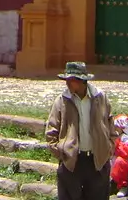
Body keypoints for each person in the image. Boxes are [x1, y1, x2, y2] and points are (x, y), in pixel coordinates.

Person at [45, 61, 117, 200]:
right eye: (66, 80)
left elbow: (110, 123)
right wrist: (60, 151)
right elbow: (51, 130)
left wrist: (110, 146)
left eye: (70, 80)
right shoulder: (61, 101)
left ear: (82, 81)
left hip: (97, 160)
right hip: (71, 161)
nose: (67, 83)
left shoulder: (100, 98)